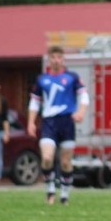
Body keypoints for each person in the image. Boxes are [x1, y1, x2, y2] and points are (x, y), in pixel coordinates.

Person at [28, 46, 88, 205]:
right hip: (49, 122)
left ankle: (65, 195)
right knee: (47, 157)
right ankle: (50, 190)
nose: (56, 60)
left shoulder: (72, 77)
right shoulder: (42, 79)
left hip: (67, 122)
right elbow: (35, 102)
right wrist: (31, 122)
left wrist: (81, 112)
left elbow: (84, 96)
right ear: (49, 59)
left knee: (66, 162)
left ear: (63, 59)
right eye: (53, 57)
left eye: (59, 57)